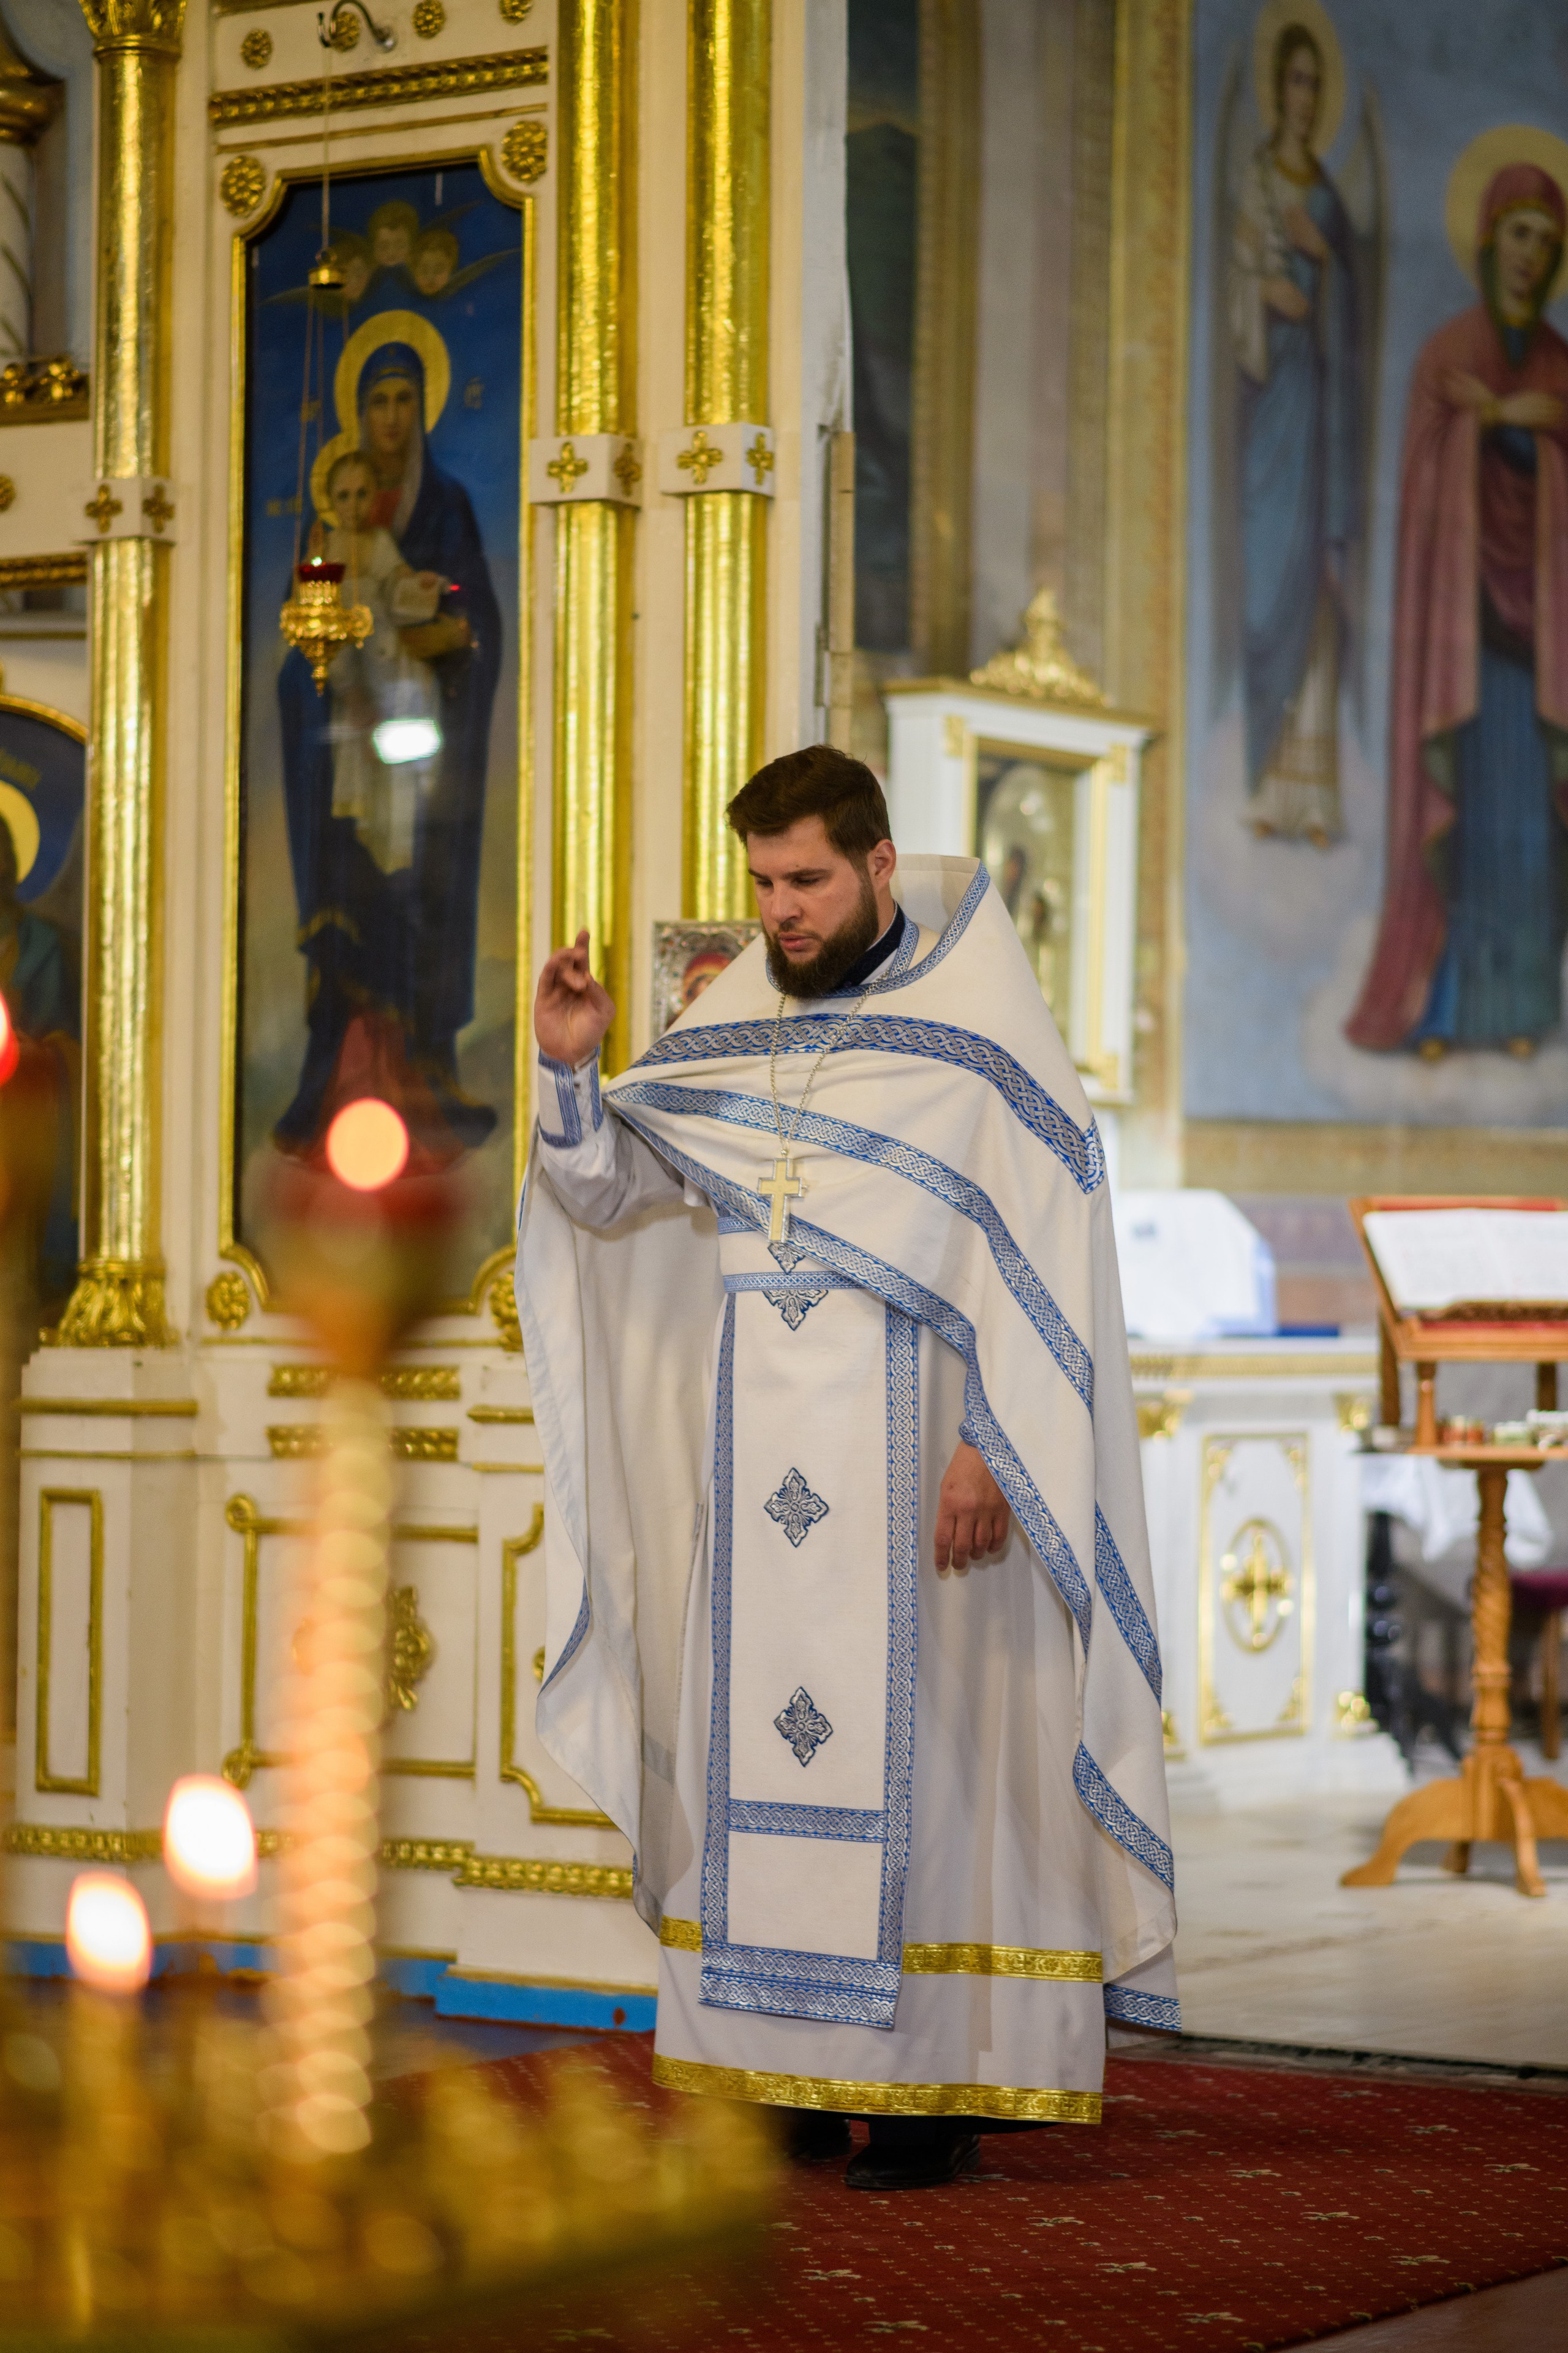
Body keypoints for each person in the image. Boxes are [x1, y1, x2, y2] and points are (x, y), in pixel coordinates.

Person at [516, 746, 1175, 2192]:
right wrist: (573, 1070)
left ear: (879, 865)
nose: (780, 912)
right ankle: (783, 2079)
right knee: (753, 1753)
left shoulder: (981, 1035)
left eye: (806, 880)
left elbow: (1044, 1267)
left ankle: (931, 2096)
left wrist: (988, 1445)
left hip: (924, 1463)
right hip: (757, 1474)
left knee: (935, 1765)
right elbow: (615, 1193)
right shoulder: (734, 1010)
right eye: (762, 883)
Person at [1347, 163, 1568, 1056]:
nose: (1530, 257)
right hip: (1463, 644)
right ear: (1488, 243)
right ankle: (1439, 1013)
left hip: (1540, 648)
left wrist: (1523, 418)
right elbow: (1430, 489)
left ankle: (1517, 1012)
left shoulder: (1560, 372)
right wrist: (1487, 426)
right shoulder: (1446, 357)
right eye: (1519, 236)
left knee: (1528, 836)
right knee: (1465, 825)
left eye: (1546, 246)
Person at [276, 341, 502, 1154]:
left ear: (423, 410)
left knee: (418, 906)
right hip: (347, 760)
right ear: (358, 416)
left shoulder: (446, 511)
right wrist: (337, 688)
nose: (393, 417)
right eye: (379, 402)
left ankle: (424, 1080)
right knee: (354, 913)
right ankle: (336, 1081)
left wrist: (451, 640)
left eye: (407, 399)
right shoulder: (326, 537)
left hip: (422, 757)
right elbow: (300, 644)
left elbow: (475, 624)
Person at [1227, 20, 1363, 845]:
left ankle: (1308, 790)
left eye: (1318, 84)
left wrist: (1326, 268)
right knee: (1264, 581)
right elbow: (1243, 275)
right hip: (1265, 407)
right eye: (1296, 82)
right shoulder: (1253, 180)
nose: (1305, 99)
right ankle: (1261, 776)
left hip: (1315, 407)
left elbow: (1351, 312)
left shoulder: (1329, 204)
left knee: (1312, 581)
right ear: (1276, 90)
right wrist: (1263, 296)